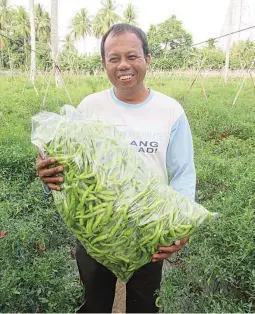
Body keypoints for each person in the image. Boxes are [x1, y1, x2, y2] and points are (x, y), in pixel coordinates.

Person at [36, 23, 196, 313]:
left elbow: (183, 173)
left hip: (148, 231)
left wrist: (181, 226)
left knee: (144, 305)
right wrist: (49, 176)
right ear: (104, 64)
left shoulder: (171, 111)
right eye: (114, 58)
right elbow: (68, 166)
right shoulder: (89, 107)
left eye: (132, 56)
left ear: (147, 59)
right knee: (95, 303)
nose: (123, 65)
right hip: (93, 231)